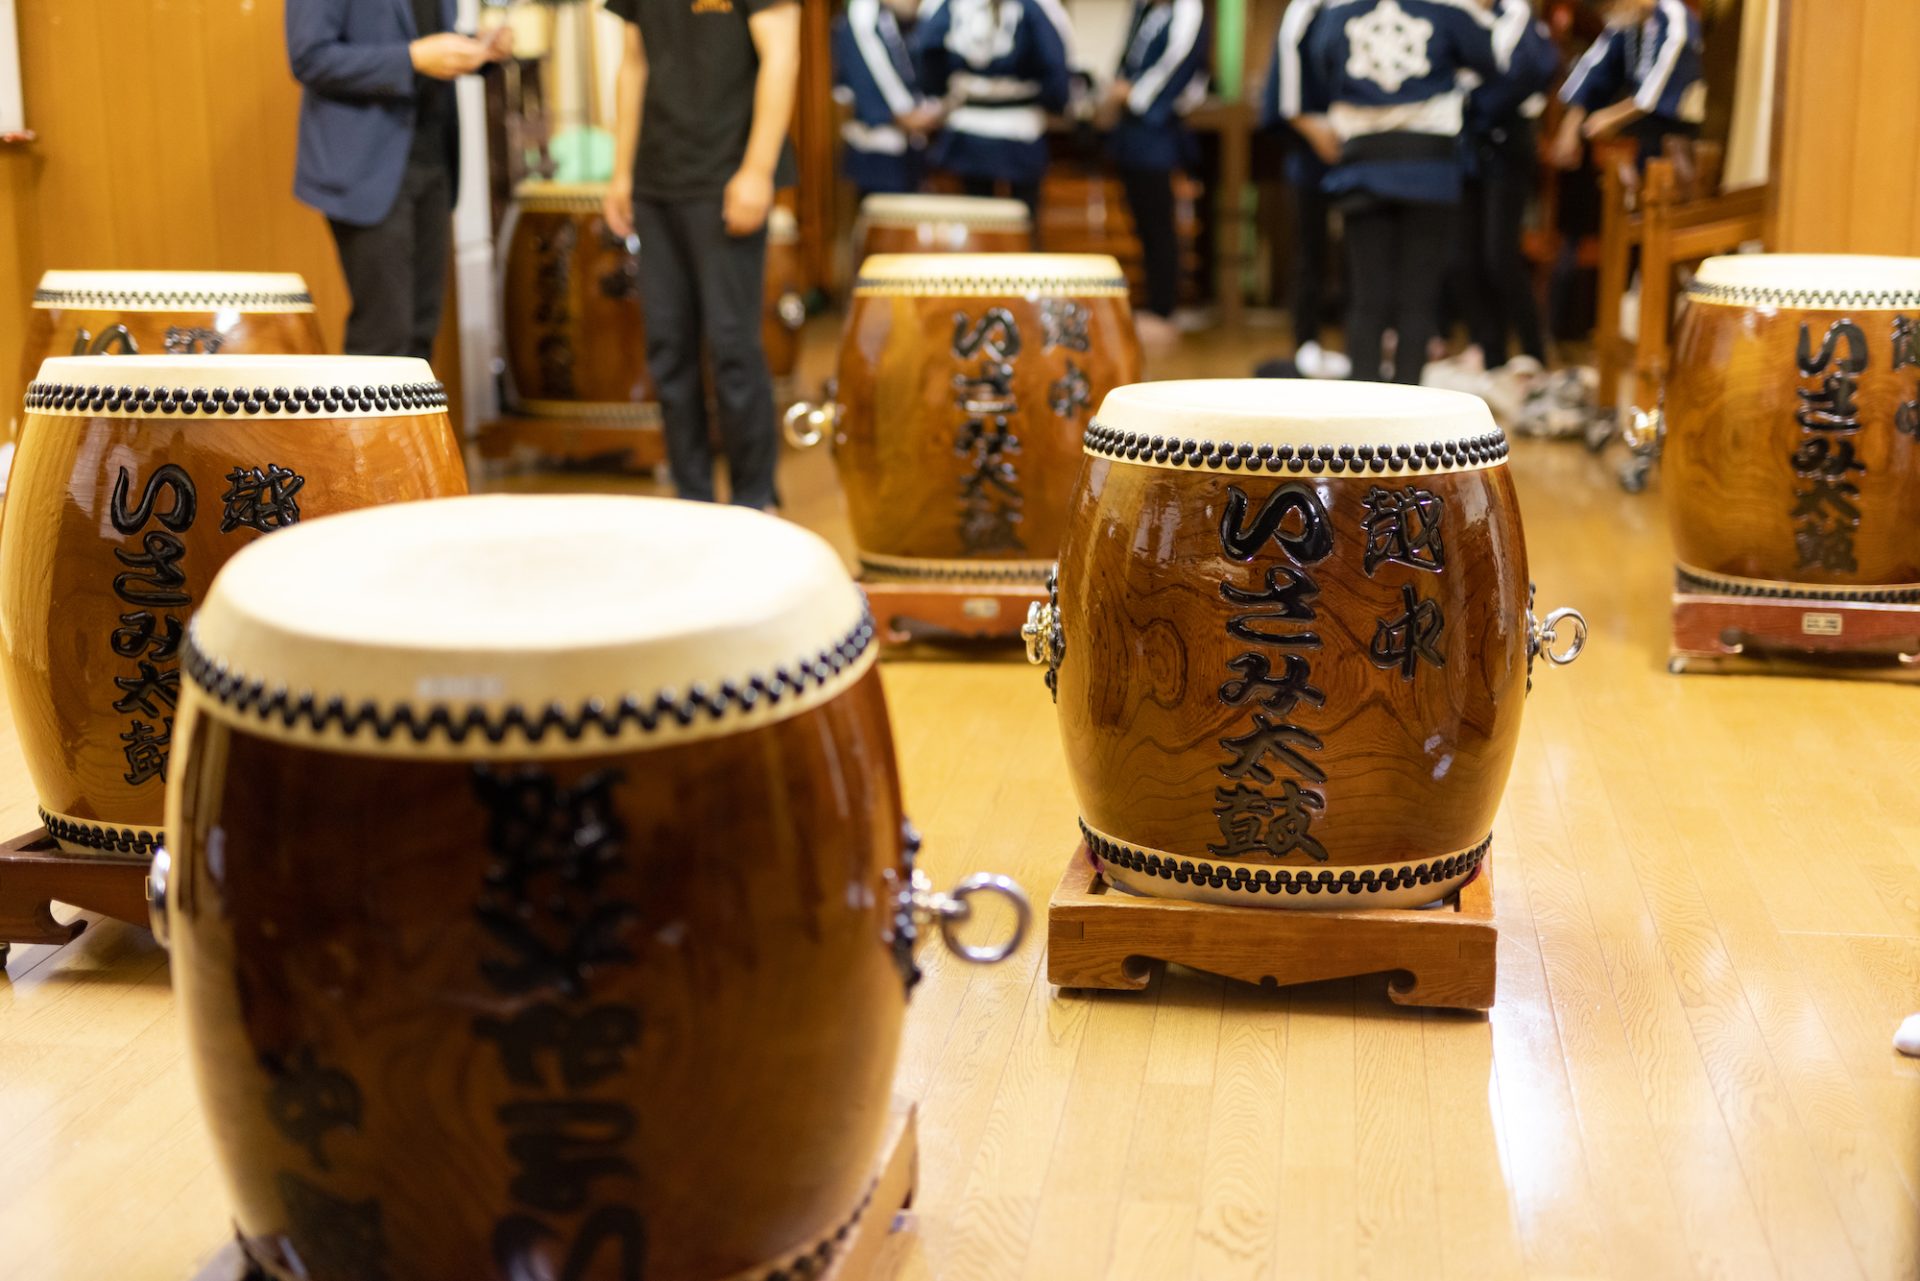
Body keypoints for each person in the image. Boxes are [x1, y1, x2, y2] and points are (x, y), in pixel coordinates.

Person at [602, 0, 800, 511]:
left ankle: (754, 499)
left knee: (732, 345)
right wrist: (622, 172)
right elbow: (634, 63)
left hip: (727, 178)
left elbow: (782, 55)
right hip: (656, 181)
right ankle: (691, 499)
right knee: (668, 347)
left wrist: (758, 170)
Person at [1292, 0, 1515, 384]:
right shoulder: (1446, 10)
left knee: (1367, 298)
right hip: (1428, 166)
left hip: (1363, 162)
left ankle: (1362, 408)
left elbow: (1318, 68)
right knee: (1418, 299)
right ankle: (1409, 407)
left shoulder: (1338, 14)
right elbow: (1490, 60)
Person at [287, 0, 510, 358]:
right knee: (383, 335)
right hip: (365, 167)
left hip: (435, 157)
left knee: (421, 334)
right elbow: (309, 57)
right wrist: (411, 59)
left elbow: (425, 38)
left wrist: (476, 48)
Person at [1455, 0, 1559, 368]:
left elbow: (1523, 77)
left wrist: (1471, 101)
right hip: (1466, 149)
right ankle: (1490, 352)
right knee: (1466, 258)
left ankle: (1534, 351)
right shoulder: (1461, 14)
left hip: (1506, 147)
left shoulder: (1517, 15)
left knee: (1499, 256)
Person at [1100, 0, 1208, 351]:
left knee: (1161, 225)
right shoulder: (1144, 10)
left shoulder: (1188, 10)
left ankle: (1164, 310)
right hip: (1130, 135)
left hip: (1157, 133)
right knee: (1142, 223)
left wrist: (1133, 93)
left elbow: (1177, 65)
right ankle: (1152, 305)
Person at [915, 0, 1074, 219]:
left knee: (996, 213)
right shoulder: (1036, 8)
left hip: (1009, 123)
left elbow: (928, 56)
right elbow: (1055, 67)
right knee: (995, 214)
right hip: (989, 123)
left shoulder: (949, 6)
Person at [1259, 0, 1348, 379]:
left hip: (1362, 146)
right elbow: (1286, 85)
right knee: (1309, 251)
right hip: (1309, 149)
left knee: (1361, 254)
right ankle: (1306, 344)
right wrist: (1311, 127)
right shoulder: (1305, 10)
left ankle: (1361, 346)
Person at [1549, 0, 1706, 169]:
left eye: (1612, 7)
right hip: (1639, 132)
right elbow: (1596, 66)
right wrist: (1571, 124)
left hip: (1675, 132)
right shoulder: (1628, 21)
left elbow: (1659, 86)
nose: (1610, 15)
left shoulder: (1675, 17)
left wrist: (1611, 117)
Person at [834, 0, 941, 201]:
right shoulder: (863, 15)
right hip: (879, 147)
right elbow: (874, 74)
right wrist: (906, 112)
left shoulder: (888, 16)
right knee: (886, 210)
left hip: (907, 146)